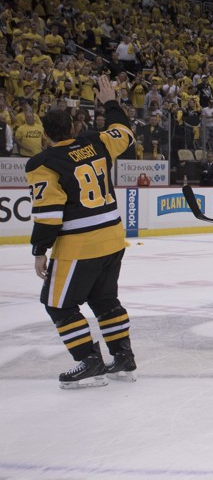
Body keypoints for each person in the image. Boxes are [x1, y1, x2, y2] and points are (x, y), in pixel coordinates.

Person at [26, 76, 138, 388]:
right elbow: (124, 132)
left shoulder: (43, 162)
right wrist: (111, 102)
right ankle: (123, 357)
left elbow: (48, 215)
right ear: (74, 128)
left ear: (46, 135)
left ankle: (89, 361)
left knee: (57, 304)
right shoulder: (97, 142)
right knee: (104, 299)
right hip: (113, 239)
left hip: (80, 246)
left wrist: (39, 251)